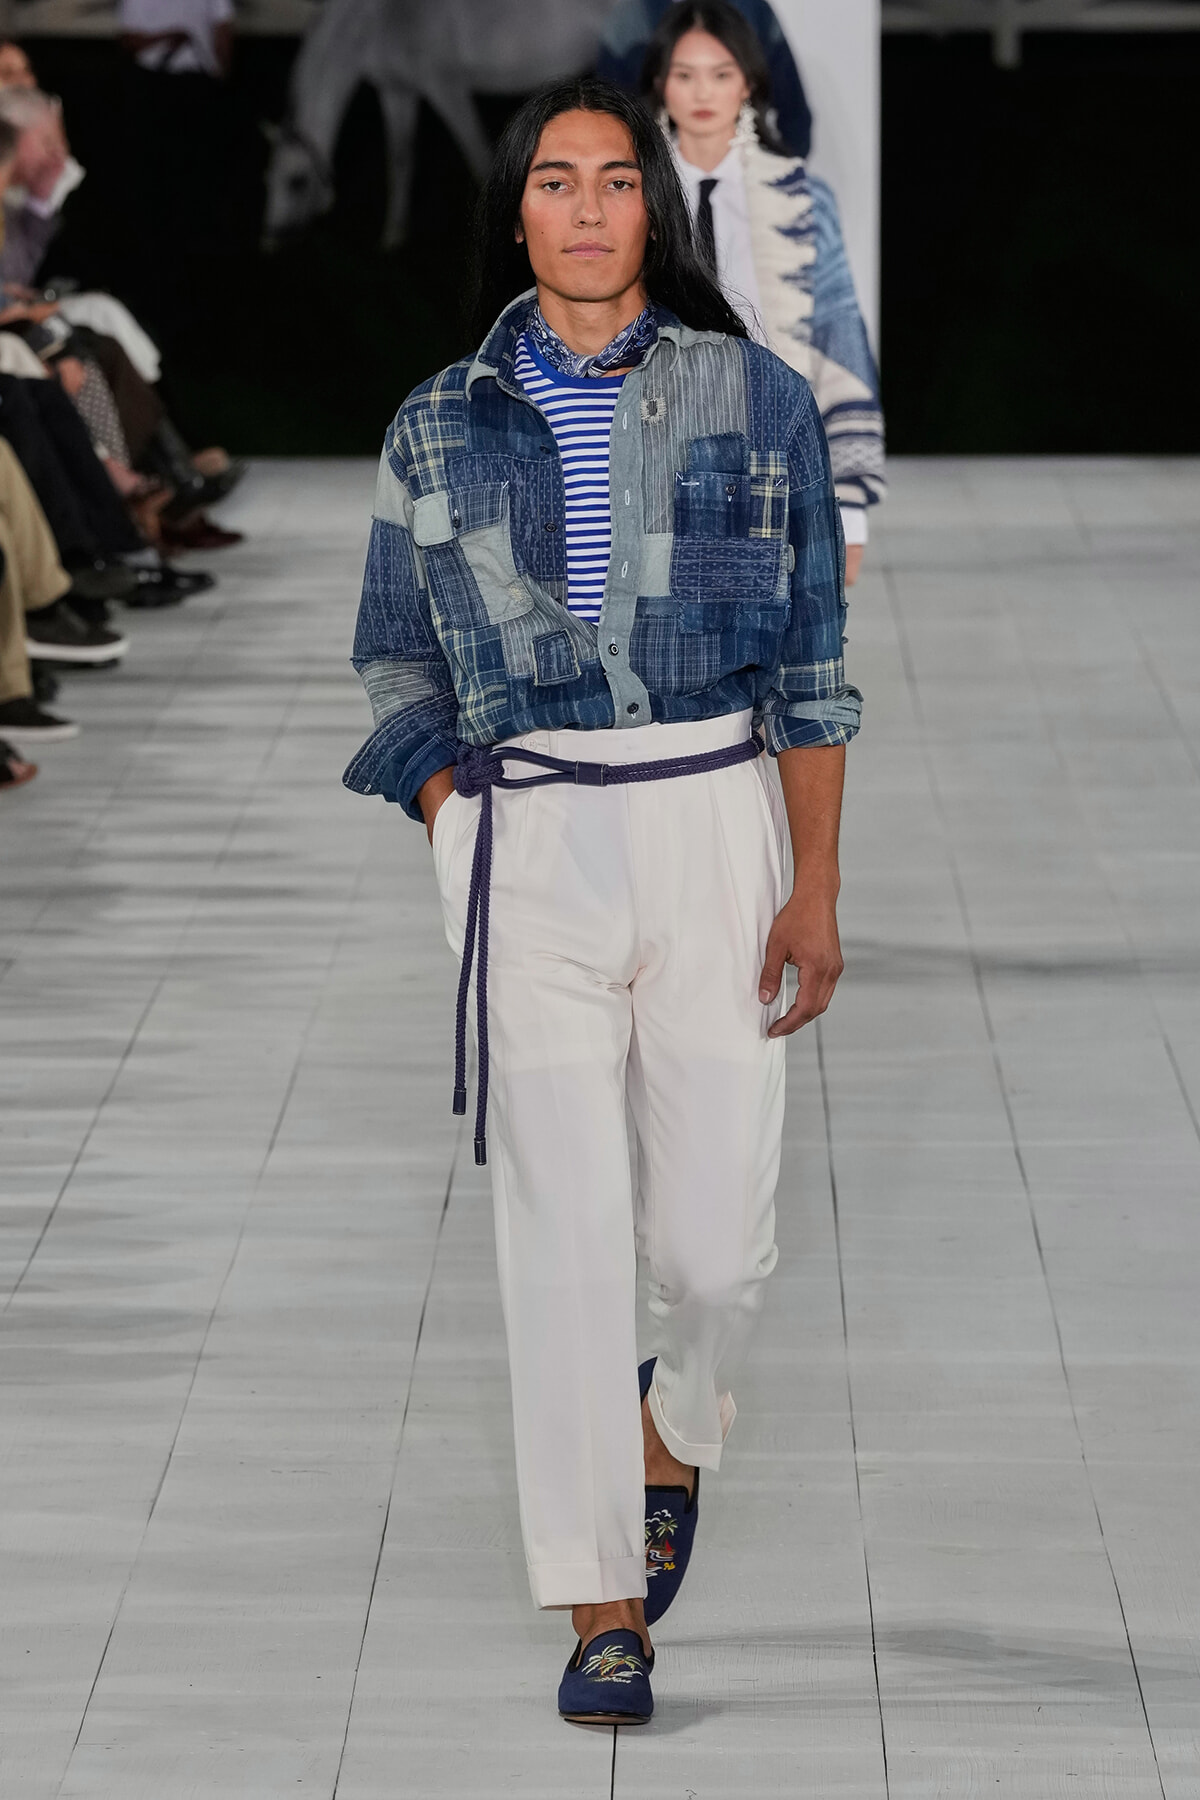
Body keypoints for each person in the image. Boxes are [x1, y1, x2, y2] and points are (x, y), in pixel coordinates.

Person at [344, 74, 860, 1725]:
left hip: (715, 820)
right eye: (554, 181)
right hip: (531, 842)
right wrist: (448, 820)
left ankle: (678, 1418)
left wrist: (816, 887)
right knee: (561, 1235)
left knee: (714, 1250)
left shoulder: (752, 401)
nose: (583, 208)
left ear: (654, 209)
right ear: (518, 211)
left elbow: (815, 670)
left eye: (615, 181)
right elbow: (393, 660)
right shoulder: (440, 418)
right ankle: (599, 1605)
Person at [641, 0, 885, 583]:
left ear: (747, 83)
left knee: (776, 654)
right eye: (685, 74)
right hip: (648, 458)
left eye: (721, 74)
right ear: (659, 84)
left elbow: (838, 338)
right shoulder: (629, 196)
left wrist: (849, 508)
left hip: (773, 457)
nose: (703, 92)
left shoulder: (801, 202)